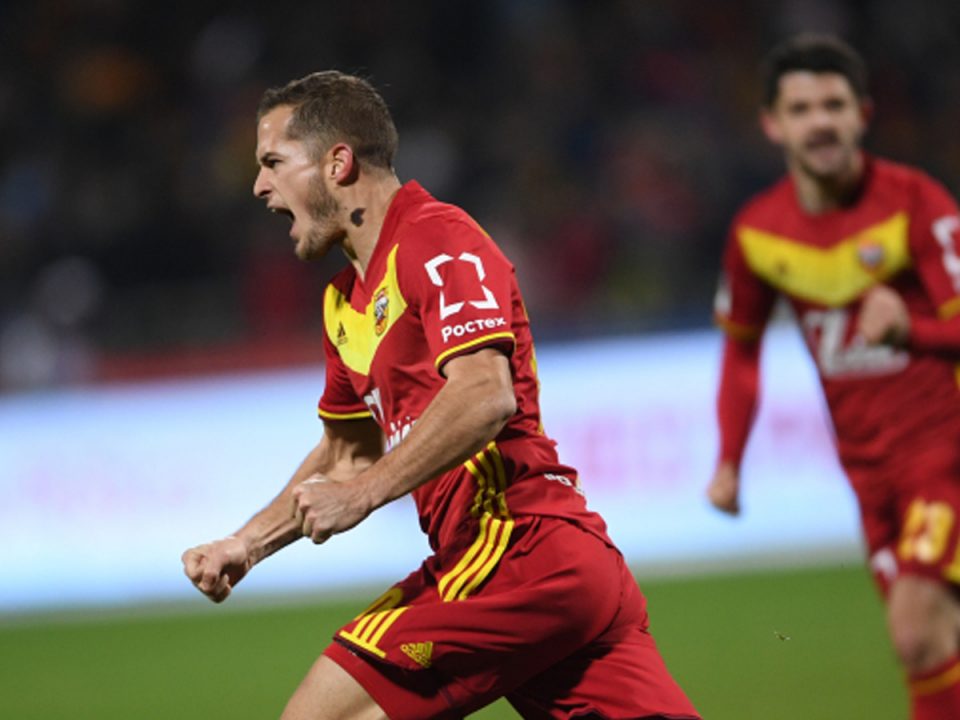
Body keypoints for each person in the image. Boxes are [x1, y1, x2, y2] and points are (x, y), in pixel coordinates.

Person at [182, 70, 700, 720]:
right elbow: (347, 454)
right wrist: (247, 543)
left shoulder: (436, 238)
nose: (260, 186)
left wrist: (362, 496)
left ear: (337, 163)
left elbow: (485, 395)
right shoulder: (343, 304)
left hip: (518, 546)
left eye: (273, 162)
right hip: (544, 571)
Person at [708, 34, 960, 720]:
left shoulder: (916, 203)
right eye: (801, 109)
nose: (819, 122)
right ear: (772, 124)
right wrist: (729, 460)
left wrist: (912, 330)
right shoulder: (759, 233)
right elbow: (741, 351)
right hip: (868, 473)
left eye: (833, 105)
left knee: (916, 630)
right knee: (934, 641)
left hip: (945, 454)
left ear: (862, 114)